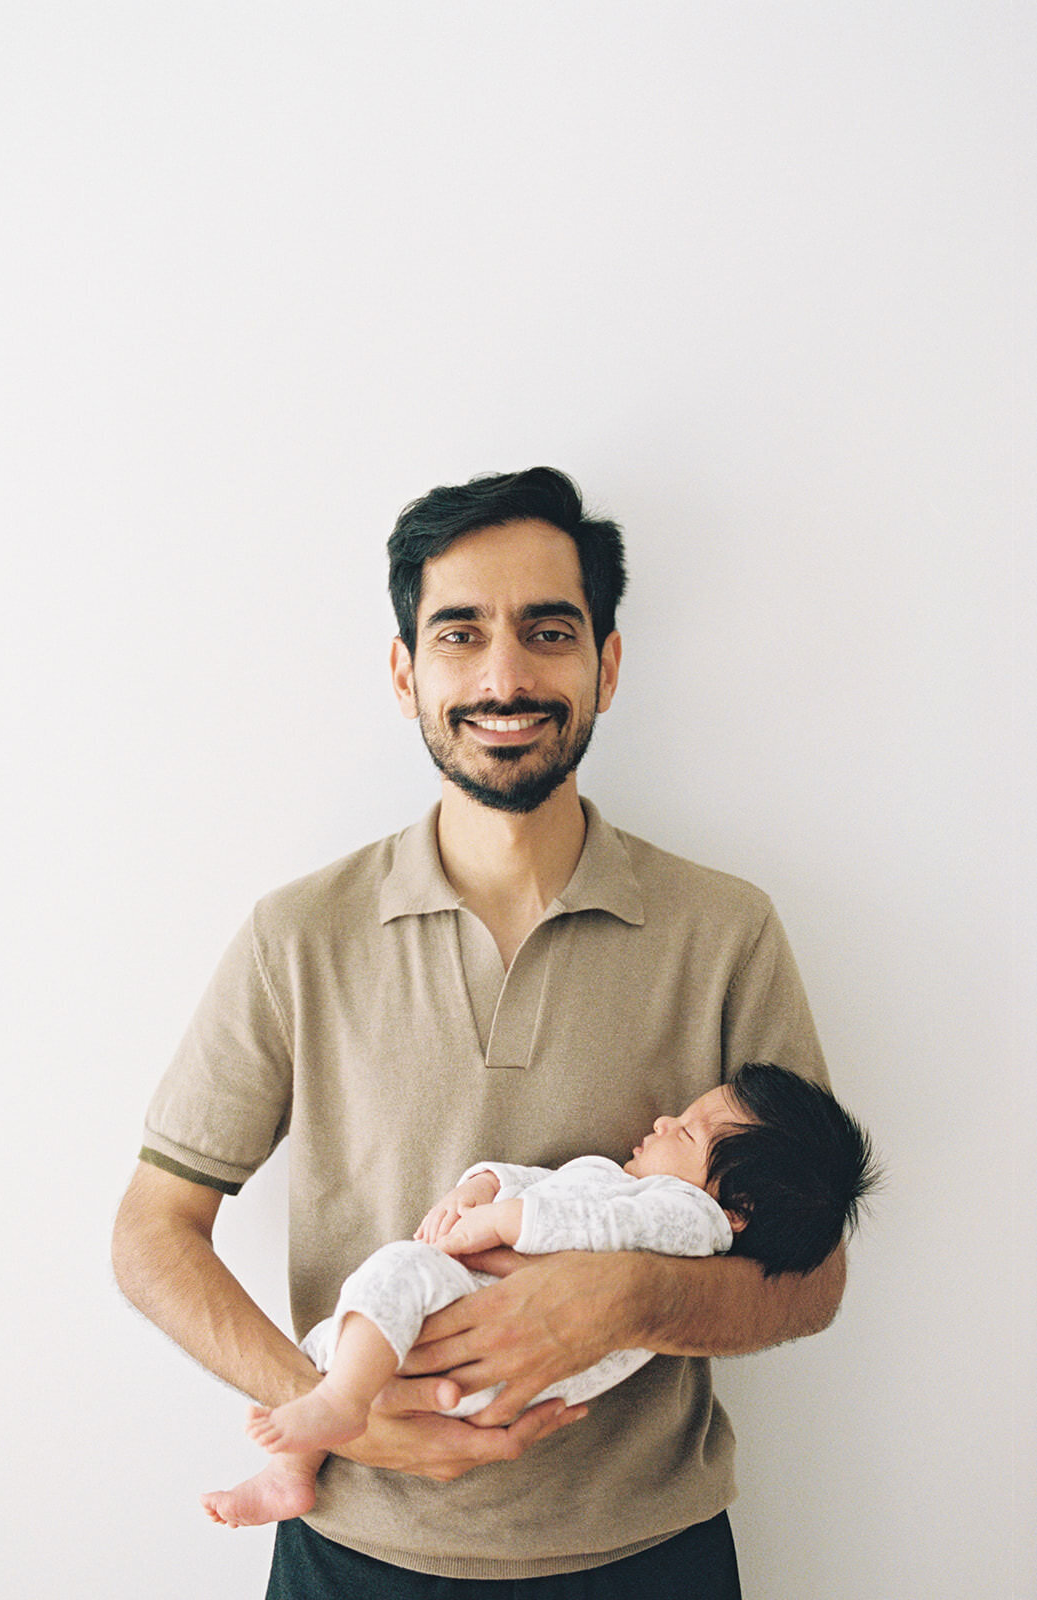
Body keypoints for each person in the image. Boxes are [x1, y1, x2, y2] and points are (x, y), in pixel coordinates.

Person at [113, 467, 849, 1597]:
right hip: (354, 1557)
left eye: (547, 631)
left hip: (648, 1560)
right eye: (460, 634)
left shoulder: (726, 930)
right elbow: (154, 1231)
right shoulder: (296, 933)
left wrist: (620, 1298)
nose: (504, 676)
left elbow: (811, 1275)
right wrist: (342, 1414)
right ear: (406, 669)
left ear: (604, 663)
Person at [200, 1064, 876, 1533]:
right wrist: (481, 1187)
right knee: (333, 1339)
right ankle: (294, 1467)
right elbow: (541, 1184)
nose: (666, 1119)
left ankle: (341, 1404)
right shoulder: (619, 1179)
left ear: (740, 1208)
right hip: (468, 1360)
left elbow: (599, 1228)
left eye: (691, 1133)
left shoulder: (686, 1218)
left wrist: (500, 1223)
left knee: (394, 1273)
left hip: (489, 1335)